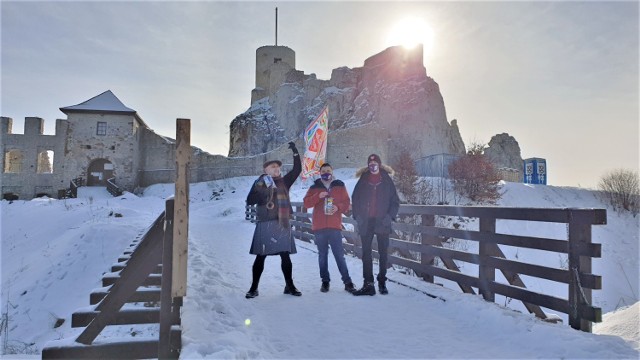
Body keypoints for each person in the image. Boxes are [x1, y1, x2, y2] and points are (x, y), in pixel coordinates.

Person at [245, 141, 302, 299]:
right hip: (265, 222)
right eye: (273, 167)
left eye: (278, 167)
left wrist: (295, 153)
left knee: (285, 255)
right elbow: (250, 200)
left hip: (282, 222)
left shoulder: (285, 181)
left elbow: (297, 170)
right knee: (260, 256)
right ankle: (254, 287)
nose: (276, 169)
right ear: (266, 170)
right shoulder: (259, 183)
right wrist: (264, 191)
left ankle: (289, 286)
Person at [303, 163, 357, 293]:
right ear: (320, 173)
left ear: (332, 172)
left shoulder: (339, 185)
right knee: (322, 255)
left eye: (328, 170)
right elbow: (306, 203)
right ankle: (325, 281)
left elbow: (346, 203)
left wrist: (338, 207)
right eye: (323, 171)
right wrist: (318, 196)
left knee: (339, 255)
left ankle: (347, 282)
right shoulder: (314, 187)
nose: (326, 172)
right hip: (319, 227)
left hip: (334, 226)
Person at [351, 154, 400, 296]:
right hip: (366, 222)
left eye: (375, 163)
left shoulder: (386, 180)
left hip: (382, 222)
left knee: (383, 254)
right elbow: (355, 198)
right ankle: (368, 284)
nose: (372, 165)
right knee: (366, 254)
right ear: (368, 165)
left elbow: (395, 201)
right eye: (370, 163)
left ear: (379, 164)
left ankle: (382, 282)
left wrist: (389, 217)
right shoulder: (363, 179)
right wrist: (357, 217)